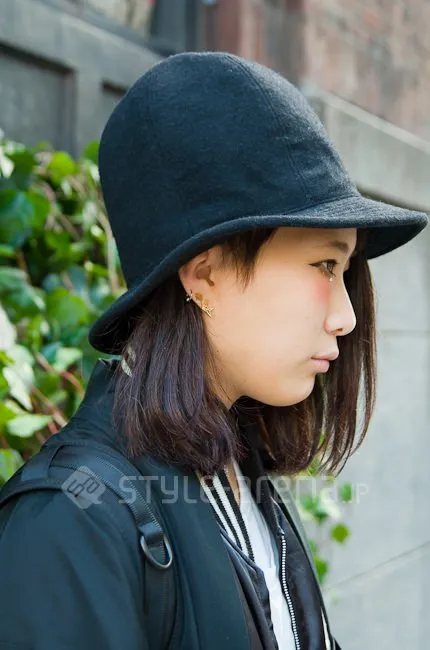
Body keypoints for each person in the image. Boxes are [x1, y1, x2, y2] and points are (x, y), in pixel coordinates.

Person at [0, 51, 427, 650]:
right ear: (204, 274)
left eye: (344, 270)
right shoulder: (71, 521)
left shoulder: (232, 462)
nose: (347, 316)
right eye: (324, 265)